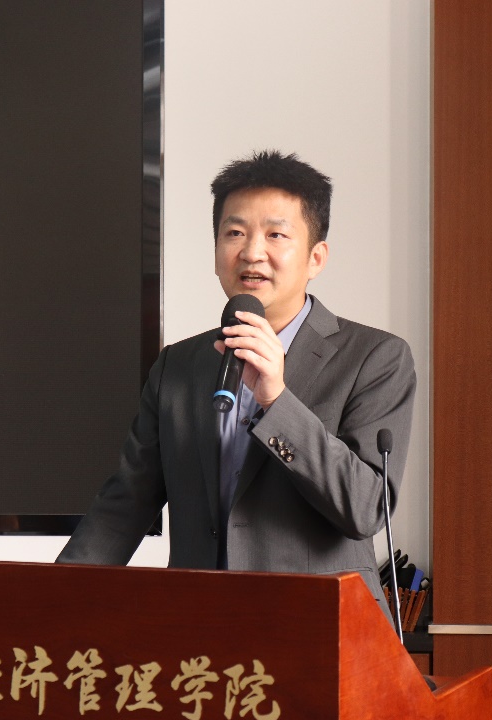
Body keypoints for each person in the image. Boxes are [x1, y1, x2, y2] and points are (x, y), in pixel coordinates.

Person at [57, 151, 415, 620]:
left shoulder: (375, 357)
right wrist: (50, 598)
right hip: (202, 625)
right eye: (235, 233)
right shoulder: (178, 365)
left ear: (316, 258)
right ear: (216, 253)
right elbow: (126, 503)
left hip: (322, 625)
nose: (251, 252)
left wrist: (276, 400)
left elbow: (366, 510)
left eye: (275, 234)